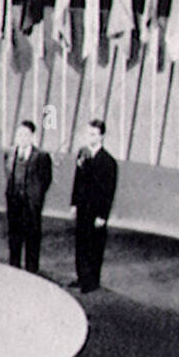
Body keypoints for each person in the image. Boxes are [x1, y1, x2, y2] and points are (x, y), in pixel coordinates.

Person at [69, 119, 118, 293]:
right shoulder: (82, 154)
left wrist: (103, 216)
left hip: (96, 211)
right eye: (89, 133)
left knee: (94, 246)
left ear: (102, 136)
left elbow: (109, 192)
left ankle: (92, 281)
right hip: (82, 208)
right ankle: (81, 276)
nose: (91, 137)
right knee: (81, 242)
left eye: (94, 134)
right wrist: (74, 204)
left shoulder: (108, 161)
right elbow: (77, 181)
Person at [4, 120, 52, 273]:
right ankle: (14, 268)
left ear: (32, 137)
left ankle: (32, 271)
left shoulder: (41, 156)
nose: (22, 138)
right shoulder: (10, 153)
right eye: (19, 135)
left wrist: (36, 197)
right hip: (14, 203)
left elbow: (46, 180)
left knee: (32, 239)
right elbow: (9, 175)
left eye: (25, 135)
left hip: (31, 205)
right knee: (14, 238)